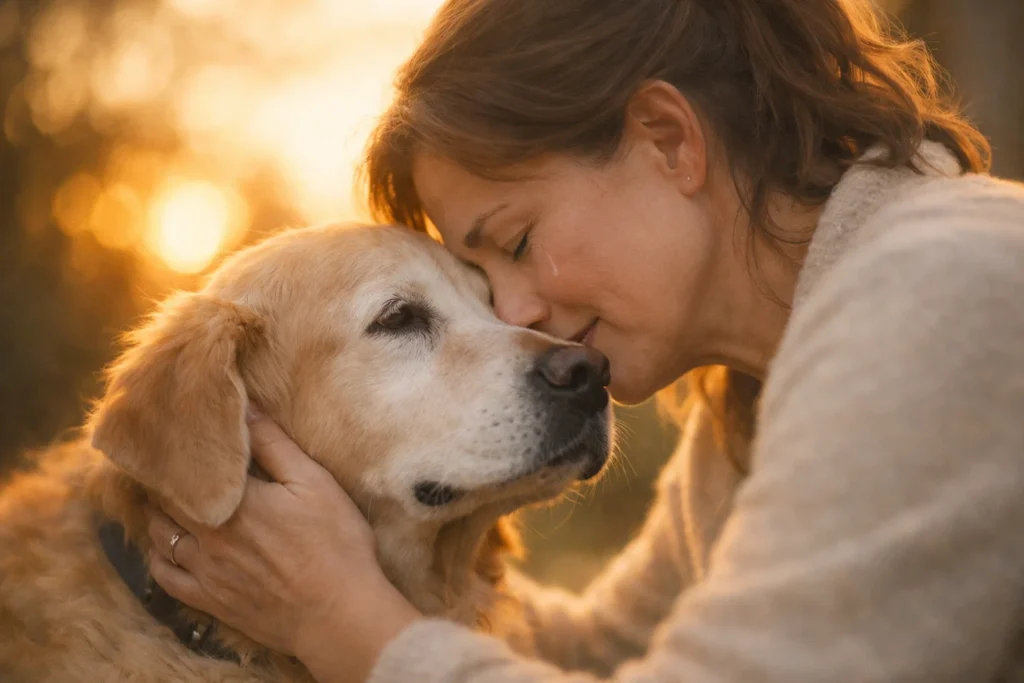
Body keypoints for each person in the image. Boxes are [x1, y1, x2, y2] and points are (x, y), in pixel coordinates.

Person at [141, 0, 1024, 681]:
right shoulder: (759, 389)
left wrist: (339, 618)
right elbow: (600, 649)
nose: (516, 315)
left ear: (668, 141)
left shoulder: (939, 290)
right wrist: (349, 544)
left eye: (516, 243)